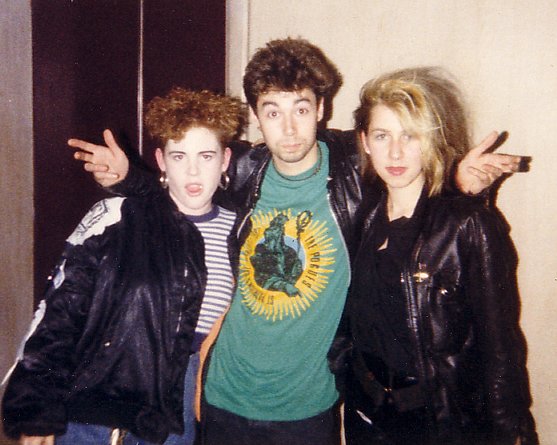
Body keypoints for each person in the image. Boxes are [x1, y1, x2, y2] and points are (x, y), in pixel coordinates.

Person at [66, 38, 522, 445]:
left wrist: (460, 185)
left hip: (308, 408)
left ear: (321, 109)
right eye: (272, 112)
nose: (288, 128)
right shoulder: (241, 170)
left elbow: (412, 174)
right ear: (255, 118)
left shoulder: (356, 173)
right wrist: (129, 179)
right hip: (225, 395)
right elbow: (183, 189)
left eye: (301, 109)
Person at [2, 88, 247, 445]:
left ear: (225, 160)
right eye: (179, 156)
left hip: (173, 414)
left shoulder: (241, 231)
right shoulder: (117, 215)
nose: (193, 170)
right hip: (92, 410)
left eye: (206, 156)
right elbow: (59, 310)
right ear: (161, 161)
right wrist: (36, 407)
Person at [343, 67, 537, 445]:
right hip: (368, 418)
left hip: (441, 422)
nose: (395, 152)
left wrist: (510, 430)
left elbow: (500, 347)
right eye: (382, 135)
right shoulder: (363, 215)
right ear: (364, 142)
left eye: (410, 135)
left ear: (431, 141)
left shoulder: (468, 225)